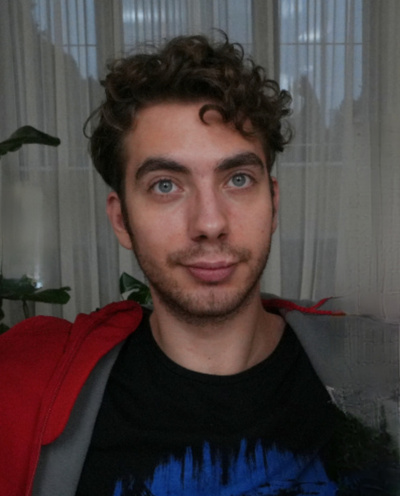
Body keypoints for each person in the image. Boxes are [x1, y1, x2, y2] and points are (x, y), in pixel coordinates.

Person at [0, 34, 398, 496]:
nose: (210, 223)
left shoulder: (378, 368)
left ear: (273, 203)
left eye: (238, 179)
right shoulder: (23, 387)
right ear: (121, 219)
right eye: (166, 185)